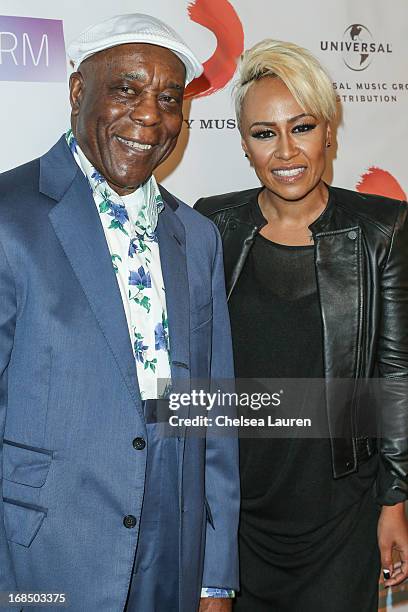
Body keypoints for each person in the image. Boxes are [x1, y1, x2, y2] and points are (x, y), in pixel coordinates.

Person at [0, 14, 239, 612]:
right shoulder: (9, 214)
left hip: (174, 538)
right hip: (45, 545)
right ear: (79, 92)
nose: (150, 116)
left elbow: (212, 414)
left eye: (167, 99)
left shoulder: (197, 235)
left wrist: (215, 573)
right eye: (126, 90)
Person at [195, 39, 408, 611]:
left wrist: (395, 502)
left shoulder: (379, 228)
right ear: (244, 144)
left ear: (329, 133)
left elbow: (394, 375)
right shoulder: (212, 224)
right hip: (237, 508)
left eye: (303, 126)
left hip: (339, 508)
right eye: (265, 133)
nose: (286, 150)